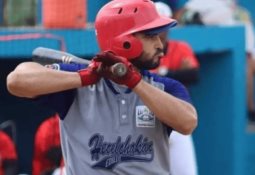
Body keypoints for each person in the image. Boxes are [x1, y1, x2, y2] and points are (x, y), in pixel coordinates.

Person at [6, 0, 198, 174]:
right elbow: (16, 81)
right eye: (150, 36)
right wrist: (83, 77)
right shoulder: (77, 81)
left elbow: (188, 123)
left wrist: (134, 81)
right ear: (124, 40)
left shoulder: (165, 87)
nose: (160, 45)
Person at [174, 0, 255, 122]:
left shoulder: (240, 13)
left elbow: (249, 50)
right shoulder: (196, 3)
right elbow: (178, 17)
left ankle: (249, 111)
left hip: (241, 52)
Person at [154, 2, 199, 175]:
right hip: (147, 122)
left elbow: (193, 75)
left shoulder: (180, 47)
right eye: (156, 27)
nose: (160, 32)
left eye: (164, 26)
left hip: (176, 120)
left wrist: (163, 74)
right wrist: (173, 73)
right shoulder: (140, 53)